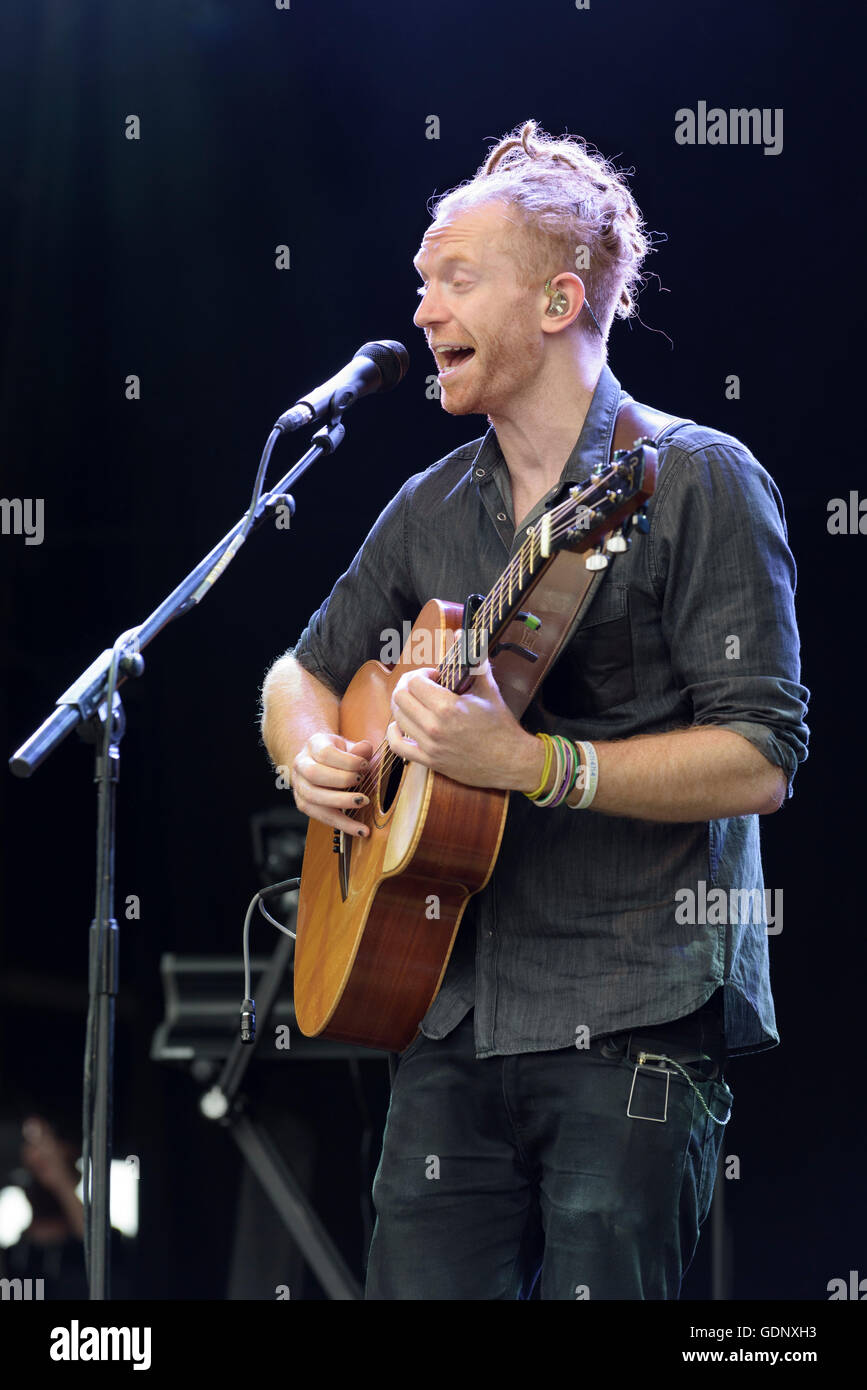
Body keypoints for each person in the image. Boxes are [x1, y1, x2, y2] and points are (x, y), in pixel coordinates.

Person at [260, 119, 810, 1300]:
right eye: (420, 283)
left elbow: (764, 756)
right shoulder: (429, 505)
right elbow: (298, 673)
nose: (420, 311)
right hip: (447, 1014)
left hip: (634, 1013)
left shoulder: (695, 476)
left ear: (560, 300)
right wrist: (314, 753)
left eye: (455, 280)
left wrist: (538, 764)